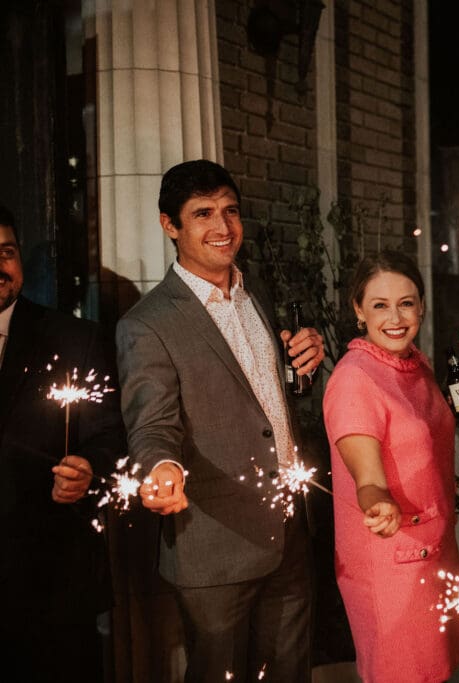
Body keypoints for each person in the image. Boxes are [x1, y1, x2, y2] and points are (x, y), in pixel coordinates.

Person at [116, 160, 324, 682]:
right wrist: (160, 466)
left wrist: (310, 360)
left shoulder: (259, 296)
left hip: (289, 531)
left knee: (290, 673)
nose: (223, 227)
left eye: (230, 211)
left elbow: (267, 402)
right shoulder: (147, 324)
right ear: (170, 225)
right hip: (213, 543)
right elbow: (152, 424)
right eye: (203, 214)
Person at [323, 251, 459, 683]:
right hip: (392, 563)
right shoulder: (355, 378)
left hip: (434, 547)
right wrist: (376, 499)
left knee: (438, 669)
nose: (396, 317)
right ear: (358, 310)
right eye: (380, 305)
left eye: (406, 303)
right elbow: (363, 467)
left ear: (421, 305)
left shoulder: (414, 363)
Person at [0, 204, 125, 681]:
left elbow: (110, 435)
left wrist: (89, 470)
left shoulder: (74, 338)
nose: (0, 265)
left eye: (6, 252)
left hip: (51, 582)